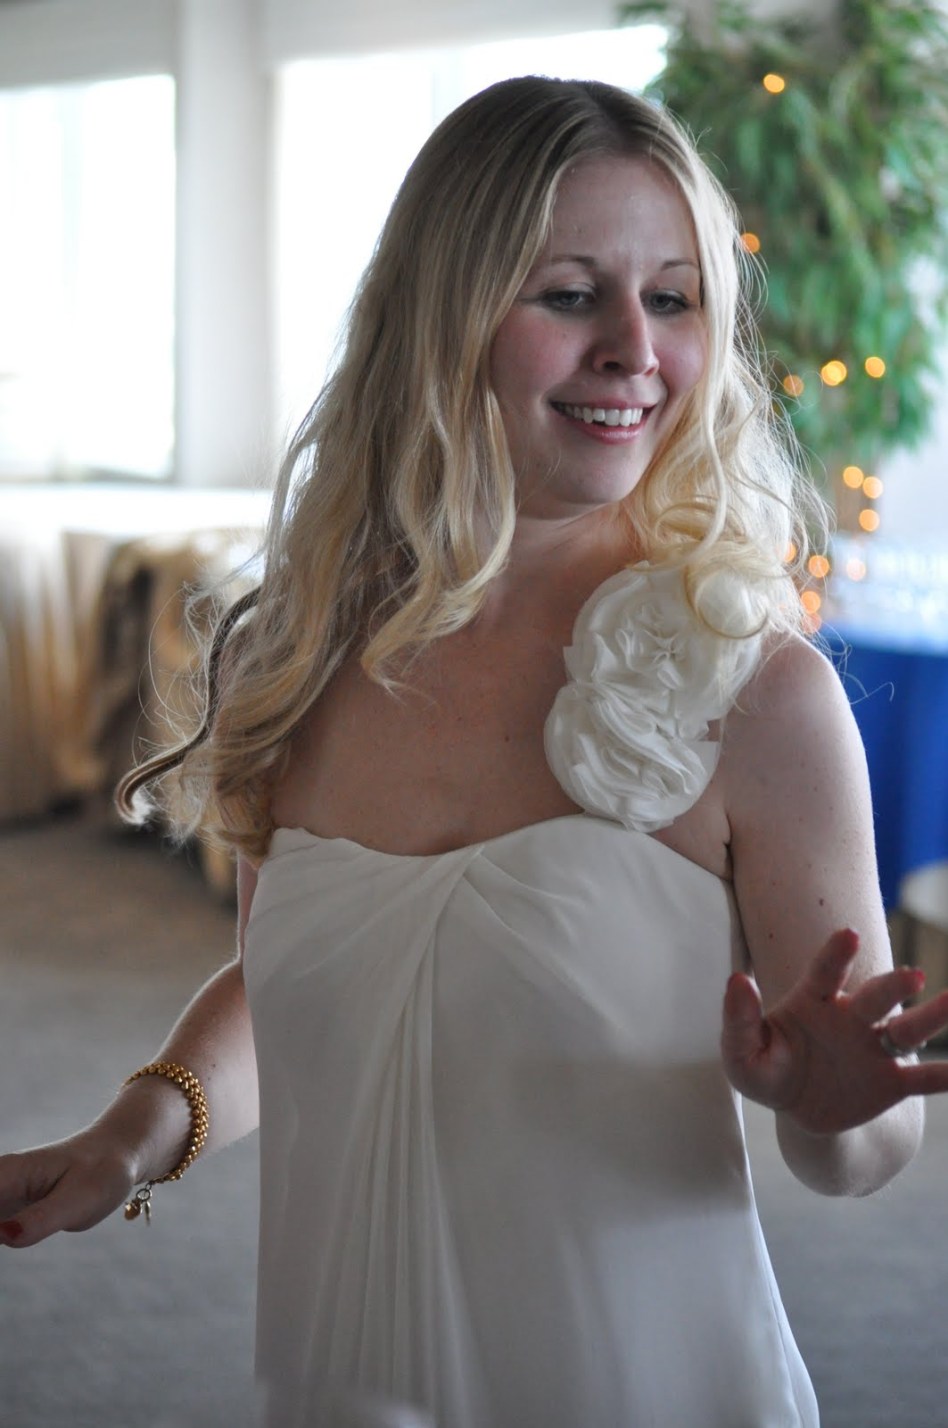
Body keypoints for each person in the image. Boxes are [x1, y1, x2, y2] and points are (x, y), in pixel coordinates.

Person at [2, 74, 948, 1428]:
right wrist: (136, 1136)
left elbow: (867, 1146)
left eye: (672, 298)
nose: (634, 349)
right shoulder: (297, 652)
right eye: (571, 294)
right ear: (441, 316)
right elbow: (302, 982)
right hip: (340, 1384)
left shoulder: (759, 697)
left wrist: (837, 1106)